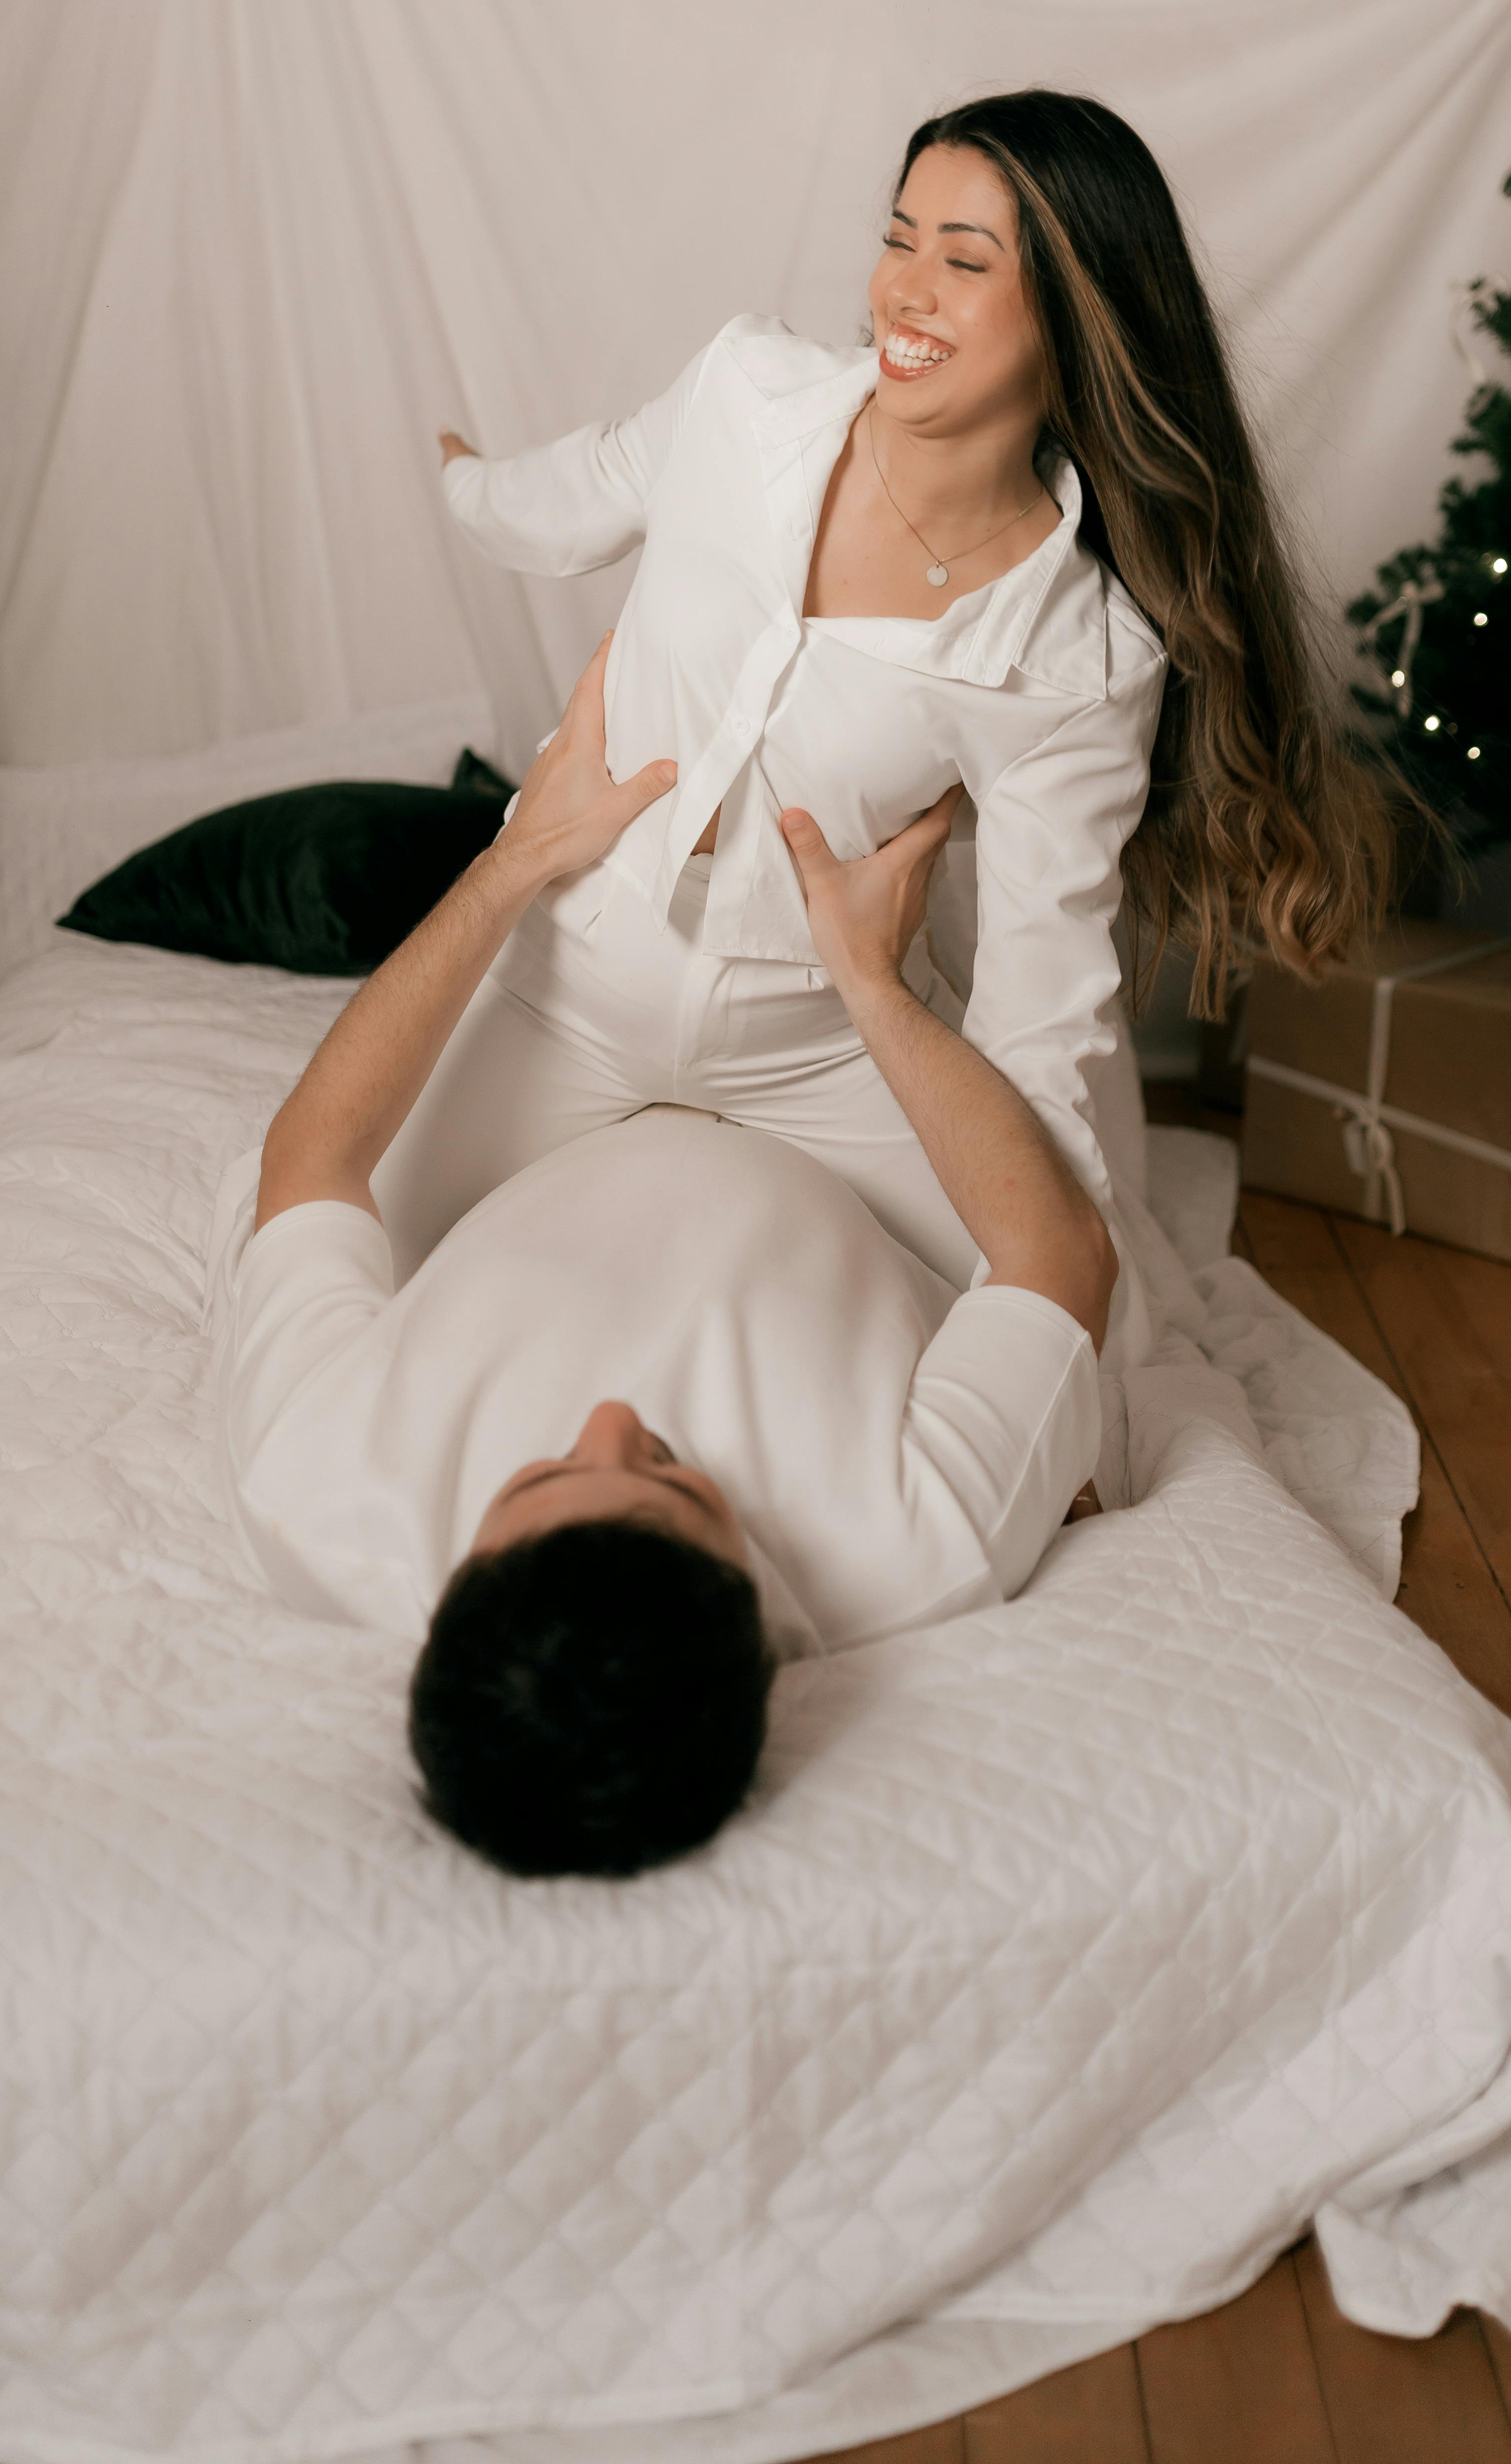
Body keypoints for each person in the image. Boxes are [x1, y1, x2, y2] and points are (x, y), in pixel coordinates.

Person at [380, 89, 1381, 1295]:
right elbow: (562, 498)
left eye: (964, 260)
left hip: (820, 1042)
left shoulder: (1083, 654)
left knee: (1055, 1325)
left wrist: (1056, 1257)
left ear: (1078, 314)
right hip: (576, 975)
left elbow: (1039, 1019)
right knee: (344, 1238)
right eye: (900, 239)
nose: (904, 290)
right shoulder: (745, 396)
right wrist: (463, 479)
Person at [208, 638, 1116, 1880]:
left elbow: (312, 1160)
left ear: (452, 1580)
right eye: (675, 1482)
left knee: (614, 838)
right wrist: (872, 984)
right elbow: (1057, 1258)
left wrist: (514, 860)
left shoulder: (316, 1493)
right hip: (831, 1153)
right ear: (762, 1619)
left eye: (537, 1476)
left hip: (524, 1151)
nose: (612, 1422)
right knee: (1076, 1226)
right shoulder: (914, 1550)